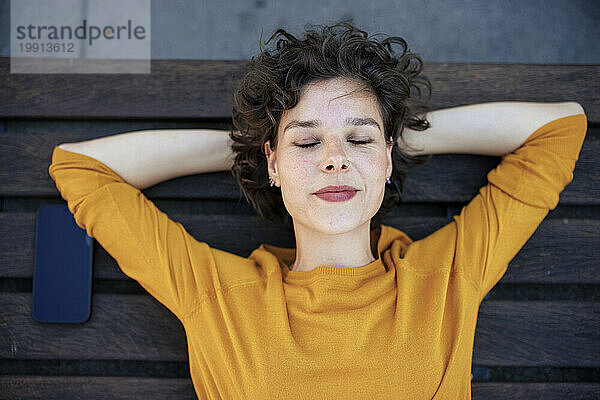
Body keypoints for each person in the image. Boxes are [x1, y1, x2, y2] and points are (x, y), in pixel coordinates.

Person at [49, 21, 587, 399]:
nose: (334, 161)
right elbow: (80, 168)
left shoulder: (445, 279)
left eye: (358, 140)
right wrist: (256, 148)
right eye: (307, 144)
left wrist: (389, 143)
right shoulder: (216, 296)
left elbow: (559, 130)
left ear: (388, 160)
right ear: (275, 162)